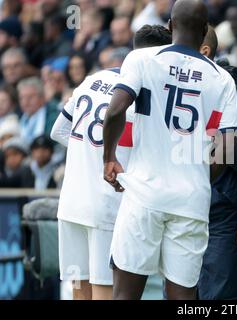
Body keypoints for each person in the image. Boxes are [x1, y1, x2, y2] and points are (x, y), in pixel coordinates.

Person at [103, 0, 237, 300]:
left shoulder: (141, 58)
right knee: (183, 299)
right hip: (191, 200)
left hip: (144, 194)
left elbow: (114, 112)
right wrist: (201, 177)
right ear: (205, 30)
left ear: (169, 26)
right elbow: (228, 146)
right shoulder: (223, 79)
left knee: (125, 295)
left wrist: (109, 159)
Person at [51, 25, 172, 300]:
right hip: (107, 209)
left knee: (80, 291)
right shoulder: (145, 95)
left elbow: (57, 131)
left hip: (70, 203)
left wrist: (89, 154)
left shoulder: (93, 79)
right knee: (106, 292)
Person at [197, 26, 237, 300]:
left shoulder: (225, 91)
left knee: (222, 295)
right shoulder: (178, 91)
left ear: (204, 51)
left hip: (221, 217)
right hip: (185, 213)